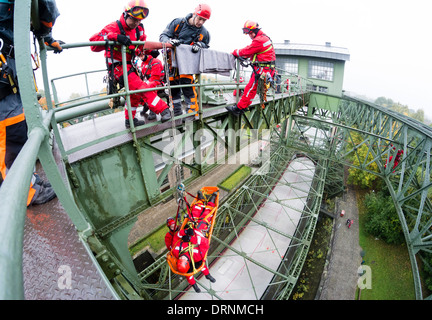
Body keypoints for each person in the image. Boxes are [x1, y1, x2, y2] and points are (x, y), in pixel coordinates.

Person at [0, 0, 61, 206]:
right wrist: (45, 32)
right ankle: (24, 193)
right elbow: (47, 8)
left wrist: (47, 37)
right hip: (5, 75)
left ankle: (30, 182)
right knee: (12, 131)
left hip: (10, 72)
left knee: (19, 128)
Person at [89, 0, 171, 128]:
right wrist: (114, 37)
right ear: (126, 14)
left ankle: (130, 121)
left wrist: (150, 51)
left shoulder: (138, 30)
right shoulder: (114, 27)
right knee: (141, 87)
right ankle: (164, 110)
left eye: (139, 21)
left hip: (129, 65)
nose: (136, 23)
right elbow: (93, 45)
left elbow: (138, 47)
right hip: (117, 67)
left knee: (135, 94)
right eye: (134, 19)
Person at [159, 4, 211, 118]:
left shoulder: (203, 32)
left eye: (204, 20)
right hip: (172, 60)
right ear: (194, 14)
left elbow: (206, 45)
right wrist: (170, 41)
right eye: (200, 18)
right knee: (173, 85)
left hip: (187, 62)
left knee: (187, 85)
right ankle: (176, 110)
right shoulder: (178, 23)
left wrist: (200, 44)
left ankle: (192, 111)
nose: (201, 22)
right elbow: (163, 36)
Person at [226, 20, 276, 116]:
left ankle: (239, 109)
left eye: (250, 33)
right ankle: (244, 105)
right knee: (251, 88)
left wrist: (235, 52)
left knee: (250, 88)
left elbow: (246, 51)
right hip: (266, 69)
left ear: (255, 31)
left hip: (262, 70)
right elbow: (257, 52)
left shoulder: (259, 40)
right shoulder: (264, 38)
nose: (249, 36)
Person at [171, 223, 216, 293]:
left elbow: (176, 237)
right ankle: (195, 284)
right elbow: (205, 242)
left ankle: (207, 275)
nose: (182, 257)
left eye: (180, 259)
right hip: (195, 235)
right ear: (187, 262)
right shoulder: (197, 256)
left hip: (186, 232)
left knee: (200, 266)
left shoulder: (176, 251)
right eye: (183, 260)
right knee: (198, 267)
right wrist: (191, 239)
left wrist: (185, 232)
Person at [137, 49, 166, 121]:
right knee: (136, 88)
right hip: (149, 82)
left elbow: (155, 78)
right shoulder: (143, 64)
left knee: (150, 88)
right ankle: (145, 105)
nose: (140, 56)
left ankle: (153, 110)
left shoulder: (156, 62)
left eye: (141, 54)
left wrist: (145, 85)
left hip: (158, 83)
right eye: (139, 55)